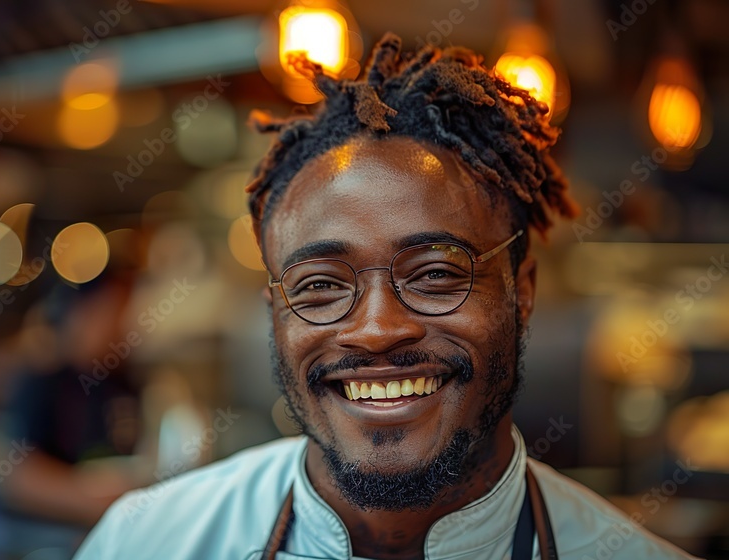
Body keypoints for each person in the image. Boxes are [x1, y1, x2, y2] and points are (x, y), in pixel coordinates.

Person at [74, 34, 698, 559]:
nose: (376, 330)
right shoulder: (145, 540)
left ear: (521, 291)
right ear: (276, 314)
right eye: (319, 286)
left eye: (434, 276)